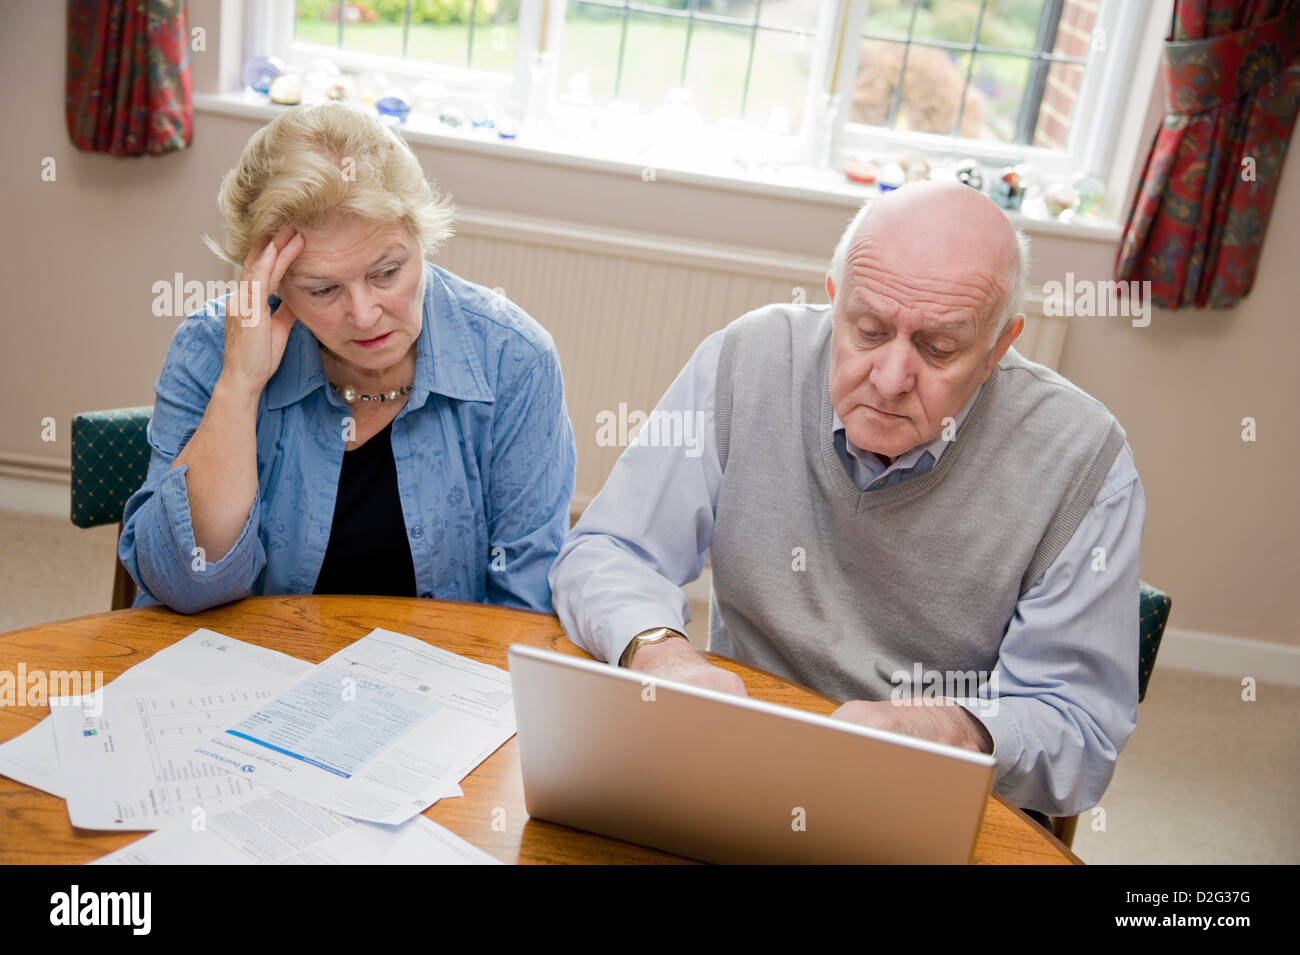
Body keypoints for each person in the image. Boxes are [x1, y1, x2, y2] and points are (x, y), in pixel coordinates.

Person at [549, 180, 1145, 818]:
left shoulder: (1084, 458)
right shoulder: (748, 359)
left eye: (938, 348)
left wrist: (946, 730)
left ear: (1000, 346)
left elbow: (1077, 726)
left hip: (929, 795)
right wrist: (661, 653)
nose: (889, 380)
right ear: (834, 301)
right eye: (868, 330)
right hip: (736, 762)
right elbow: (610, 550)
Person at [120, 101, 575, 614]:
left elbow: (523, 606)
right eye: (323, 289)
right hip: (248, 677)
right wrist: (239, 386)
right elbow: (185, 586)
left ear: (421, 238)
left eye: (386, 272)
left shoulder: (515, 360)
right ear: (274, 284)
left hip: (441, 683)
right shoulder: (209, 347)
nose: (364, 315)